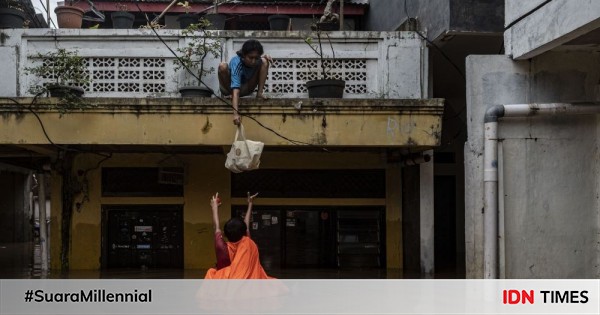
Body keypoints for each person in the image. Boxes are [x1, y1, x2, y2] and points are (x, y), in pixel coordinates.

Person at [204, 192, 273, 279]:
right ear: (244, 233)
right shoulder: (247, 244)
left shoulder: (222, 248)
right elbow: (246, 226)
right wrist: (250, 203)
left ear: (224, 234)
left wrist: (214, 208)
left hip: (223, 287)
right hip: (247, 286)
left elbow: (216, 227)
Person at [218, 39, 273, 125]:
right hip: (229, 89)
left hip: (247, 87)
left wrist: (264, 57)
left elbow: (260, 60)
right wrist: (236, 114)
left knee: (265, 62)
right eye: (250, 58)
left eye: (256, 58)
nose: (253, 61)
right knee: (223, 66)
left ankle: (259, 93)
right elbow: (236, 91)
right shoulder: (236, 62)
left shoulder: (258, 60)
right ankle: (229, 94)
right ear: (243, 55)